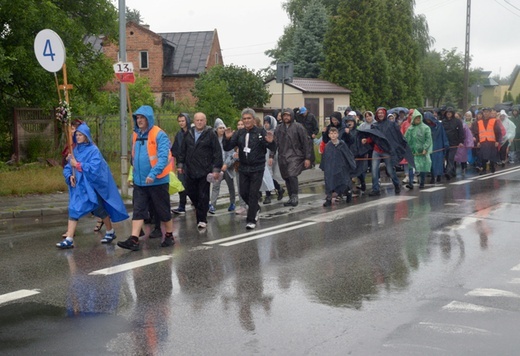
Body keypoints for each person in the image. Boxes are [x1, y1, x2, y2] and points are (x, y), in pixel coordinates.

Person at [57, 122, 129, 249]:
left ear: (86, 136)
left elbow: (95, 168)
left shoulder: (93, 151)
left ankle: (110, 231)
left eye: (80, 135)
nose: (78, 137)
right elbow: (68, 167)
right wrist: (70, 176)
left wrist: (78, 165)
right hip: (79, 187)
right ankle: (69, 239)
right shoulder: (75, 151)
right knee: (74, 209)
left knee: (98, 209)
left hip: (90, 187)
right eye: (77, 135)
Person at [117, 105, 175, 251]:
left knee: (162, 210)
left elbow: (163, 158)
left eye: (142, 117)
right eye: (137, 117)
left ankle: (169, 235)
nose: (139, 120)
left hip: (157, 181)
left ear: (148, 118)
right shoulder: (135, 135)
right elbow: (134, 157)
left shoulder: (159, 134)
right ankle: (134, 239)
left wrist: (152, 174)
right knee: (138, 210)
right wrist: (134, 176)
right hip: (140, 181)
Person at [223, 108, 276, 229]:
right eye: (244, 119)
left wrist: (271, 142)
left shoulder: (260, 132)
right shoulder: (239, 133)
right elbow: (228, 147)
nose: (246, 121)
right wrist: (227, 139)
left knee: (253, 193)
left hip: (257, 167)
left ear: (253, 119)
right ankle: (255, 208)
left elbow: (271, 146)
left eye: (249, 118)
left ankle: (251, 219)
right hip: (243, 167)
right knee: (243, 192)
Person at [176, 112, 223, 229]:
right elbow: (182, 150)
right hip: (190, 169)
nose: (199, 122)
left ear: (205, 121)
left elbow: (217, 152)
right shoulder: (189, 133)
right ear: (194, 121)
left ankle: (202, 219)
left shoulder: (211, 134)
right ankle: (201, 208)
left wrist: (216, 169)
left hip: (204, 170)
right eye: (197, 120)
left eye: (202, 120)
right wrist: (180, 164)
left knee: (203, 194)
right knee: (190, 192)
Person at [361, 107, 408, 196]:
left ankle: (396, 184)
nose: (380, 115)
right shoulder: (375, 125)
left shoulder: (391, 124)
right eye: (379, 113)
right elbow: (373, 137)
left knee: (390, 170)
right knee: (374, 170)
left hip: (387, 150)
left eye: (382, 113)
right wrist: (366, 141)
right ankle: (375, 189)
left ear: (385, 114)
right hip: (377, 150)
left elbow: (396, 136)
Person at [275, 108, 313, 207]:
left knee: (292, 174)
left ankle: (295, 196)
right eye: (284, 115)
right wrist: (271, 156)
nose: (286, 117)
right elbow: (275, 143)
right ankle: (291, 196)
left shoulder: (298, 127)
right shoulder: (279, 128)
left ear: (292, 116)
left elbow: (305, 142)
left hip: (295, 155)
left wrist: (307, 157)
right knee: (286, 176)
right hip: (282, 156)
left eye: (288, 115)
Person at [320, 127, 356, 206]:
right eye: (331, 133)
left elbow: (348, 155)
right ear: (329, 135)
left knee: (343, 182)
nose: (333, 135)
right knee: (329, 182)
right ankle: (329, 198)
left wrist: (351, 165)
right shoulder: (328, 146)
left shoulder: (342, 144)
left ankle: (348, 192)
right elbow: (325, 157)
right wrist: (324, 166)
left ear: (338, 134)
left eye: (335, 133)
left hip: (341, 167)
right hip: (330, 168)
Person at [209, 118, 237, 213]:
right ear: (216, 129)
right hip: (217, 168)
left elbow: (231, 153)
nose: (221, 130)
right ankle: (212, 204)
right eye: (219, 128)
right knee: (215, 186)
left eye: (223, 128)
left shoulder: (228, 139)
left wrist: (226, 164)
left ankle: (232, 202)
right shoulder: (213, 140)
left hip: (227, 168)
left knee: (231, 186)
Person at [404, 110, 433, 189]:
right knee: (411, 167)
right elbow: (406, 139)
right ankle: (410, 183)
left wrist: (425, 148)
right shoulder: (410, 129)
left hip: (422, 152)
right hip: (413, 152)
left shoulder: (425, 128)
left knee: (422, 167)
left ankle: (422, 182)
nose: (418, 120)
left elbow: (428, 139)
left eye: (419, 118)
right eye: (416, 118)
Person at [170, 113, 191, 215]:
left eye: (183, 121)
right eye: (180, 121)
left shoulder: (192, 133)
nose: (181, 123)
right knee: (181, 185)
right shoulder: (179, 134)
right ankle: (182, 206)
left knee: (192, 185)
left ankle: (198, 203)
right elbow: (175, 148)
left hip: (193, 164)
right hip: (181, 164)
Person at [472, 107, 502, 174]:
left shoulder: (494, 121)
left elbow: (498, 132)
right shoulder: (479, 122)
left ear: (490, 113)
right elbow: (477, 133)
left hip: (491, 141)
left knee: (492, 156)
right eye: (485, 112)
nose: (486, 113)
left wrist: (497, 141)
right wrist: (478, 141)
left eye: (487, 112)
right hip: (483, 141)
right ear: (483, 113)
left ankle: (492, 167)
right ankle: (483, 169)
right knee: (482, 156)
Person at [263, 115, 285, 204]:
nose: (266, 124)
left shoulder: (275, 133)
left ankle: (268, 195)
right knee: (264, 176)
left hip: (271, 156)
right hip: (263, 155)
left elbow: (274, 146)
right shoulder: (263, 132)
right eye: (265, 122)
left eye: (268, 123)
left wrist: (271, 157)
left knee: (268, 175)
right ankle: (279, 188)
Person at [423, 111, 449, 184]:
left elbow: (443, 135)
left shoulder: (439, 125)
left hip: (438, 145)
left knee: (438, 162)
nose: (428, 121)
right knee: (430, 163)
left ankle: (438, 175)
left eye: (429, 119)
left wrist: (446, 144)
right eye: (426, 120)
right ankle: (433, 176)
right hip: (429, 147)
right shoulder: (425, 127)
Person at [442, 107, 465, 179]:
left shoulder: (457, 121)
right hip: (445, 143)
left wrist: (461, 141)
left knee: (450, 158)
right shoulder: (443, 121)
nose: (448, 113)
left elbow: (461, 132)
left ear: (452, 113)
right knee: (447, 157)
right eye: (447, 112)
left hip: (454, 142)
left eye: (450, 112)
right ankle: (453, 172)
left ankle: (448, 172)